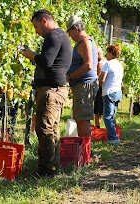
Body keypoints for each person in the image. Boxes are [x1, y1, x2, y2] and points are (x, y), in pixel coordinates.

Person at [21, 9, 72, 177]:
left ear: (44, 21)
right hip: (55, 89)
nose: (36, 31)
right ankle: (52, 167)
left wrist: (31, 55)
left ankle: (45, 172)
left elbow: (46, 61)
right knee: (52, 129)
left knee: (45, 129)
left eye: (36, 26)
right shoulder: (61, 36)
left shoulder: (54, 36)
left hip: (52, 91)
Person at [65, 15, 99, 137]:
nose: (69, 35)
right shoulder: (81, 42)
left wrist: (71, 76)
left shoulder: (85, 41)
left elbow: (88, 65)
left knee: (83, 118)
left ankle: (85, 150)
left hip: (85, 84)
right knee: (79, 118)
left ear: (76, 29)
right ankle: (83, 149)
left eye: (70, 32)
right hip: (82, 85)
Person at [99, 44, 124, 145]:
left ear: (110, 53)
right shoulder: (120, 65)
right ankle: (112, 136)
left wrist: (97, 82)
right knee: (112, 116)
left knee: (107, 117)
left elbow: (102, 79)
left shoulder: (108, 64)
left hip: (109, 92)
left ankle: (113, 139)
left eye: (107, 53)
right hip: (118, 92)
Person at [94, 46, 107, 128]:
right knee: (99, 110)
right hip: (102, 89)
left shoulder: (100, 63)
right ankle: (98, 127)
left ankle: (99, 127)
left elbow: (100, 78)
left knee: (99, 110)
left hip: (101, 88)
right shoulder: (105, 61)